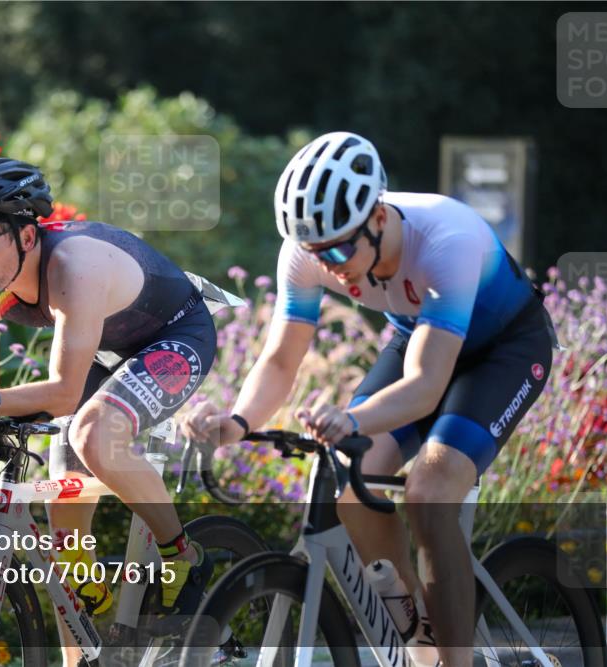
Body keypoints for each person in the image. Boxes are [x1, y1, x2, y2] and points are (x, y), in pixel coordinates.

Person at [181, 131, 555, 667]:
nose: (329, 265)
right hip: (420, 335)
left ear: (378, 217)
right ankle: (419, 638)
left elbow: (425, 386)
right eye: (316, 253)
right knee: (350, 484)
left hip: (504, 349)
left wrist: (351, 417)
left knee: (429, 493)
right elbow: (281, 359)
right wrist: (237, 421)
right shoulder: (309, 250)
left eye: (338, 249)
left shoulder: (444, 240)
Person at [0, 157, 216, 664]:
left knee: (92, 433)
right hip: (103, 351)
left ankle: (184, 557)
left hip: (176, 336)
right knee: (65, 532)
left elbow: (63, 394)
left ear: (26, 236)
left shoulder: (72, 267)